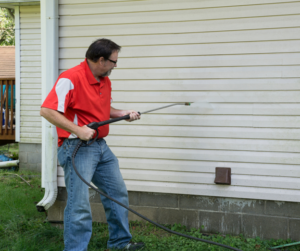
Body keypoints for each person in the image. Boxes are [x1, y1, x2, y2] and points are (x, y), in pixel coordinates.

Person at [40, 39, 145, 251]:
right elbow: (47, 110)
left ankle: (119, 243)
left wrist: (122, 114)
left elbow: (101, 109)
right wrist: (78, 130)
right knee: (79, 205)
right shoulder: (70, 78)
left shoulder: (104, 80)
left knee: (117, 193)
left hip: (100, 147)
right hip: (77, 149)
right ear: (101, 60)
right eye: (114, 61)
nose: (116, 65)